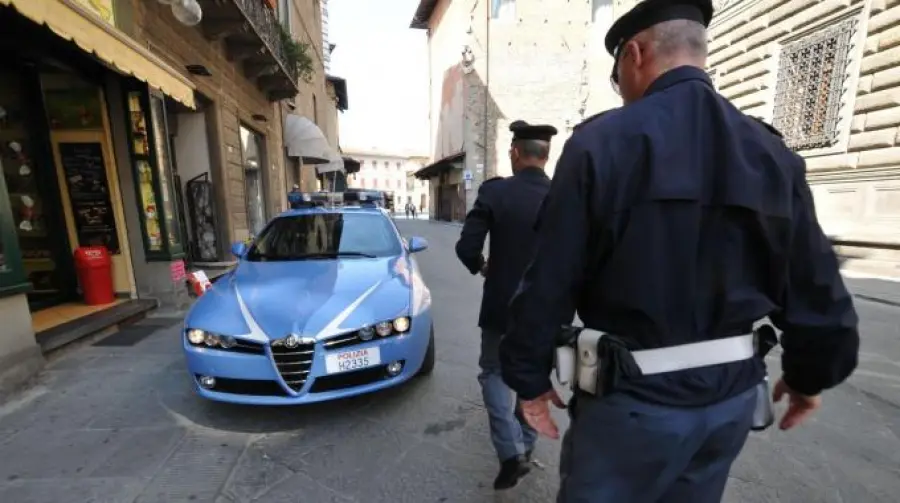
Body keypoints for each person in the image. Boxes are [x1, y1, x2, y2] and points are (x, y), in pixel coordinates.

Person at [498, 1, 861, 502]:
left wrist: (528, 377)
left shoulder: (601, 145)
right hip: (728, 403)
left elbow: (551, 278)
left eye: (617, 77)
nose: (621, 91)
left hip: (631, 407)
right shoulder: (771, 152)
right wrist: (809, 376)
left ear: (635, 54)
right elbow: (814, 283)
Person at [455, 120, 559, 490]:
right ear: (546, 156)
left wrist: (483, 267)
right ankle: (526, 448)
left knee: (495, 373)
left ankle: (511, 451)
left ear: (515, 152)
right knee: (530, 376)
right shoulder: (563, 196)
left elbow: (466, 247)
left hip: (502, 305)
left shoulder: (496, 193)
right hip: (547, 311)